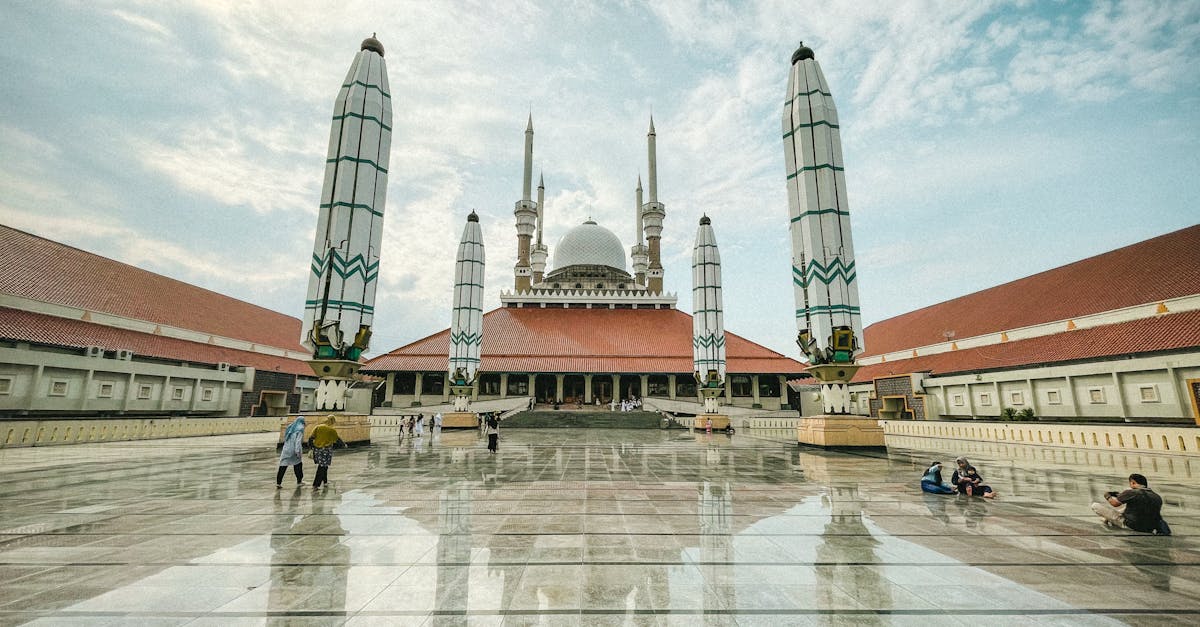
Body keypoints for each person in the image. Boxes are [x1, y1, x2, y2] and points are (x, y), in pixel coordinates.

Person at [1091, 473, 1168, 534]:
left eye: (1130, 483)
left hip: (1130, 525)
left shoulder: (1131, 492)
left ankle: (1108, 519)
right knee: (1135, 506)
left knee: (1095, 505)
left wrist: (1107, 496)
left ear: (1133, 482)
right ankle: (1107, 519)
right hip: (1148, 528)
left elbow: (1114, 504)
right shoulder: (1157, 496)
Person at [306, 415, 346, 490]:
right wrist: (343, 445)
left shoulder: (318, 427)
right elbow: (337, 439)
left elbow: (311, 438)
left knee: (324, 466)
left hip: (317, 450)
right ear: (332, 421)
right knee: (322, 467)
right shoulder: (331, 430)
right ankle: (316, 485)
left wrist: (312, 447)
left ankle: (325, 482)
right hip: (326, 451)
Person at [276, 416, 306, 488]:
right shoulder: (300, 428)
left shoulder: (291, 427)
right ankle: (299, 481)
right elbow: (298, 442)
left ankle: (278, 483)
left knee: (283, 466)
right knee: (298, 465)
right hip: (294, 450)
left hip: (286, 449)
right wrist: (298, 452)